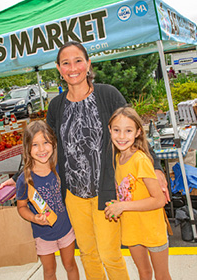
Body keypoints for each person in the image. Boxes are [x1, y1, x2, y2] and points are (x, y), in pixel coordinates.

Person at [45, 41, 169, 280]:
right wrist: (24, 176)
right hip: (73, 195)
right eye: (66, 63)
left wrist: (155, 167)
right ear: (59, 68)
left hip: (106, 191)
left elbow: (133, 128)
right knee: (89, 254)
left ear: (88, 64)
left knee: (110, 254)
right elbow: (48, 148)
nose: (73, 67)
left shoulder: (107, 94)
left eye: (78, 60)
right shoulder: (56, 106)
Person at [105, 106, 171, 280]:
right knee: (144, 273)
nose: (121, 136)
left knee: (162, 276)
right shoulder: (119, 159)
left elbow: (158, 200)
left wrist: (123, 206)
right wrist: (116, 205)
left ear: (137, 132)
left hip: (152, 229)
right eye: (117, 130)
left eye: (128, 131)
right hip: (132, 229)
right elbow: (128, 192)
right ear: (110, 130)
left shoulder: (140, 159)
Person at [8, 120, 79, 280]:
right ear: (27, 148)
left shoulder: (60, 168)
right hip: (42, 235)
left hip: (66, 228)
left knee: (70, 265)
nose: (41, 149)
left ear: (53, 143)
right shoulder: (24, 179)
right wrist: (34, 218)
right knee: (49, 271)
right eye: (35, 145)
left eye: (45, 142)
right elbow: (21, 207)